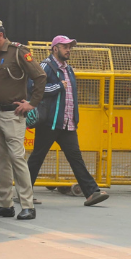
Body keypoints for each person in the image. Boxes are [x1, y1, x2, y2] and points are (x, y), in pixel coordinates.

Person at [28, 36, 110, 207]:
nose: (68, 50)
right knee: (37, 158)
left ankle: (92, 193)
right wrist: (58, 86)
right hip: (49, 122)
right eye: (65, 47)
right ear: (55, 48)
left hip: (67, 123)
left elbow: (71, 96)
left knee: (76, 158)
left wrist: (74, 117)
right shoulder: (45, 66)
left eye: (70, 47)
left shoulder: (69, 70)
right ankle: (24, 192)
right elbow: (34, 88)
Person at [0, 19, 46, 220]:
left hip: (13, 115)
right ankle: (5, 204)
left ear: (1, 35)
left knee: (17, 158)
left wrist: (32, 104)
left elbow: (40, 76)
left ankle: (27, 205)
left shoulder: (18, 52)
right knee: (0, 161)